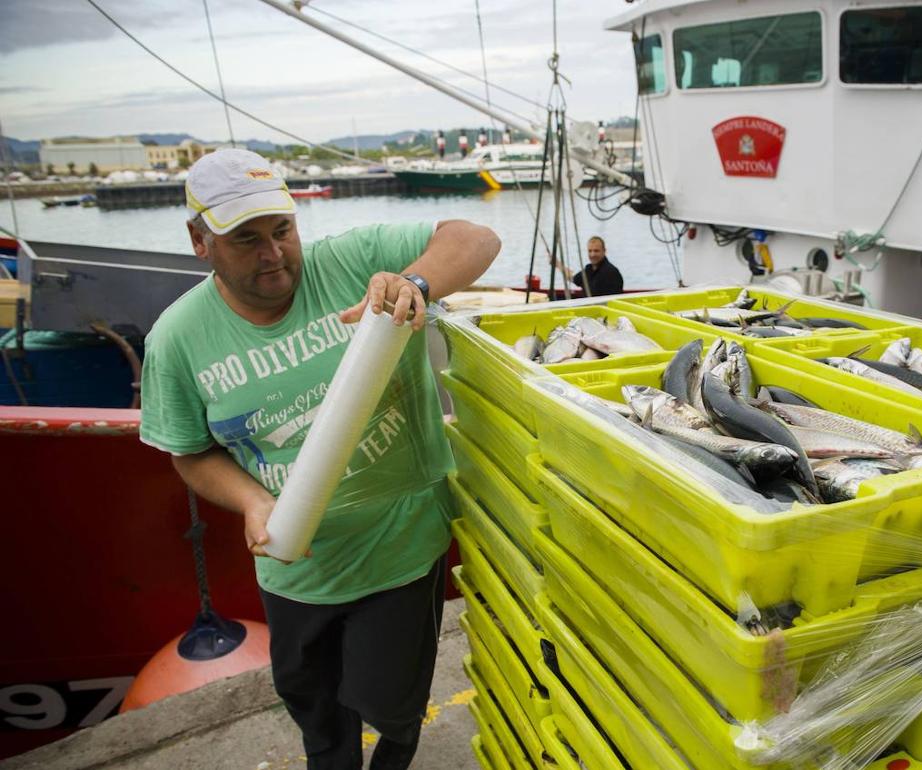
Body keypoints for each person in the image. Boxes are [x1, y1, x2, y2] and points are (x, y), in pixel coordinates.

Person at [139, 148, 500, 770]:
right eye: (246, 239)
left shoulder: (353, 263)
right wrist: (254, 501)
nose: (273, 253)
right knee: (315, 709)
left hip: (401, 551)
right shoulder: (176, 339)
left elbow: (477, 237)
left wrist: (413, 284)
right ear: (200, 242)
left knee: (394, 706)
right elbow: (191, 453)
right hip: (294, 563)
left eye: (282, 230)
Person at [552, 235, 624, 296]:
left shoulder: (611, 273)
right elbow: (572, 278)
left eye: (596, 251)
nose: (592, 254)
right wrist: (558, 264)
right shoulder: (589, 269)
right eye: (590, 251)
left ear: (604, 251)